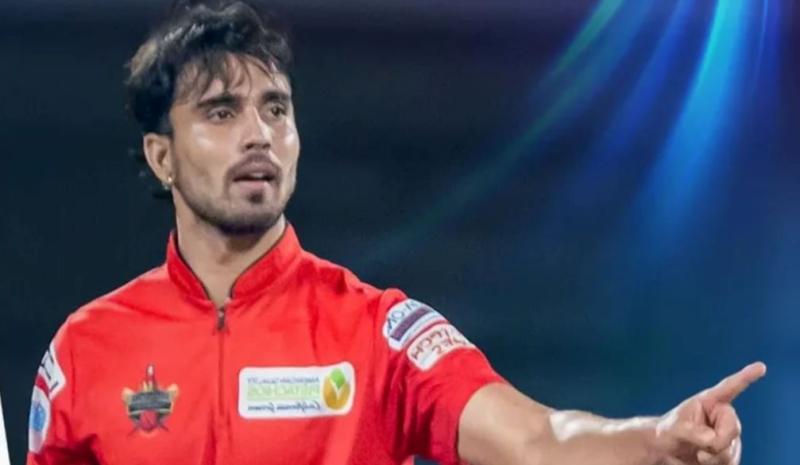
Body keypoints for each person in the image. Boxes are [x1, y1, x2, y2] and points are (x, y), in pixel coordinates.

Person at [27, 1, 766, 465]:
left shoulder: (381, 332)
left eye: (276, 109)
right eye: (222, 112)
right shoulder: (84, 353)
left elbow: (537, 440)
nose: (259, 134)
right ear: (162, 156)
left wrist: (655, 438)